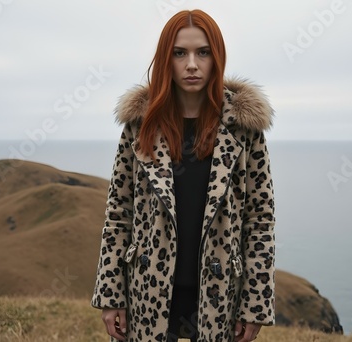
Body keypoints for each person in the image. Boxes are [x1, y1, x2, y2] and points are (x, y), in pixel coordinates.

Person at [91, 9, 276, 342]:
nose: (192, 64)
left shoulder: (244, 129)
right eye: (180, 53)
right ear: (167, 59)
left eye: (202, 52)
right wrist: (111, 296)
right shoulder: (140, 125)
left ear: (216, 56)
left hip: (220, 296)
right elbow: (119, 214)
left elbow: (259, 220)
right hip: (148, 291)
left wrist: (254, 305)